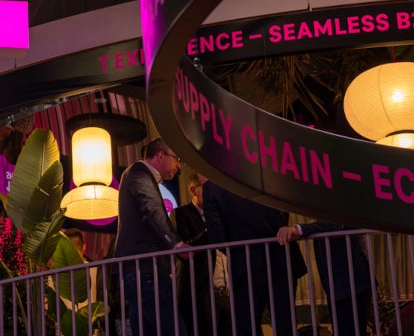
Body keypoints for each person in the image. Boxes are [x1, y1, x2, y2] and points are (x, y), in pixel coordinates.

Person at [203, 181, 305, 336]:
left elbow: (217, 238)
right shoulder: (264, 173)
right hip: (281, 256)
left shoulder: (213, 187)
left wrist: (237, 250)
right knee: (285, 324)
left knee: (247, 325)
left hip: (244, 263)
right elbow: (283, 212)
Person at [114, 138, 189, 335]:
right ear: (160, 155)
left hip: (140, 269)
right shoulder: (138, 172)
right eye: (176, 158)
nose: (178, 166)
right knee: (173, 329)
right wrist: (176, 244)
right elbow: (152, 208)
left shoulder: (137, 174)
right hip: (145, 269)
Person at [276, 221, 374, 336]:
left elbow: (336, 222)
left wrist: (298, 230)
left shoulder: (337, 211)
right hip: (339, 283)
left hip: (352, 280)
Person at [172, 172, 218, 335]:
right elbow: (184, 248)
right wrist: (211, 230)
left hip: (224, 291)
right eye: (208, 187)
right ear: (193, 190)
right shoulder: (181, 214)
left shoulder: (219, 214)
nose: (214, 191)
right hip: (197, 291)